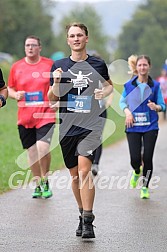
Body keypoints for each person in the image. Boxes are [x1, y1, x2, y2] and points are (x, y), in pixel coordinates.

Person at [48, 22, 113, 238]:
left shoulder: (98, 63)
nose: (76, 39)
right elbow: (52, 98)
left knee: (85, 170)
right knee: (75, 175)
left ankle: (88, 220)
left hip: (90, 124)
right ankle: (80, 213)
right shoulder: (59, 66)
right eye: (72, 36)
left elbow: (109, 85)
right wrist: (57, 81)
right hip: (67, 125)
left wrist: (103, 93)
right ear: (68, 40)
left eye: (79, 35)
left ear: (87, 38)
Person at [8, 35, 55, 199]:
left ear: (39, 48)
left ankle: (46, 179)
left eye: (33, 45)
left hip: (45, 113)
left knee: (43, 148)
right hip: (25, 117)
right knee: (32, 152)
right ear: (24, 47)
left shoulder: (49, 65)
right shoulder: (16, 67)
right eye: (27, 45)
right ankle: (37, 184)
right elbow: (9, 89)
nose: (30, 48)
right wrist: (15, 95)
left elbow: (56, 86)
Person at [120, 55, 166, 199]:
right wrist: (127, 113)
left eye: (145, 65)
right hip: (133, 126)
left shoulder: (155, 86)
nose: (142, 67)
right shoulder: (129, 85)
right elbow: (122, 102)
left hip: (150, 127)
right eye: (140, 65)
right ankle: (136, 171)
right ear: (136, 67)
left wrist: (156, 107)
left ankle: (145, 187)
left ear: (149, 67)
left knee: (147, 157)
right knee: (135, 159)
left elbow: (163, 106)